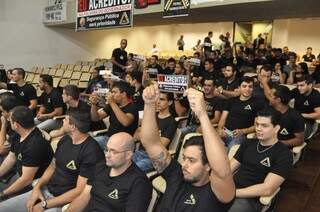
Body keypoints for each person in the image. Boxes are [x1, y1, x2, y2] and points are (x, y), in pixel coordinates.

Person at [140, 82, 235, 211]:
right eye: (184, 158)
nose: (184, 164)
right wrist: (149, 104)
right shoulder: (176, 174)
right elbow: (150, 143)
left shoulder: (218, 193)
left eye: (191, 160)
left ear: (208, 166)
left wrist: (202, 114)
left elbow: (222, 171)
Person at [0, 111, 105, 211]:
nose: (63, 121)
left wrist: (45, 205)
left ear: (72, 127)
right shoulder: (65, 139)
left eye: (66, 119)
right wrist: (37, 187)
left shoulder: (91, 152)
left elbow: (79, 191)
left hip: (62, 201)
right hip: (45, 190)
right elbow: (52, 166)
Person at [64, 132, 152, 212]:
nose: (107, 155)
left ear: (128, 155)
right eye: (107, 149)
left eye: (113, 151)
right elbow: (85, 196)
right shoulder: (101, 166)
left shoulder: (139, 183)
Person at [229, 109, 293, 212]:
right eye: (257, 124)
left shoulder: (284, 154)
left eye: (264, 126)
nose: (258, 129)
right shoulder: (248, 143)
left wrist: (234, 193)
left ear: (276, 128)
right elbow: (228, 170)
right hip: (230, 188)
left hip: (251, 199)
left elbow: (267, 189)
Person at [0, 106, 53, 201]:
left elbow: (26, 179)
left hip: (33, 183)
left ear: (16, 125)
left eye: (10, 120)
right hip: (20, 175)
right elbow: (11, 158)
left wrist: (3, 194)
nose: (8, 121)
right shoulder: (18, 134)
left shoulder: (34, 145)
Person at [133, 92, 177, 172]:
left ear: (170, 102)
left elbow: (162, 144)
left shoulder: (171, 122)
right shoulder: (151, 116)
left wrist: (144, 136)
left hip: (154, 157)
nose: (158, 102)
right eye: (157, 99)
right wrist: (152, 138)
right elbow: (135, 136)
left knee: (132, 170)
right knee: (120, 163)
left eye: (162, 99)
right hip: (139, 152)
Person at [218, 76, 265, 149]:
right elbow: (222, 119)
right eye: (244, 86)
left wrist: (243, 131)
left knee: (232, 148)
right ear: (239, 87)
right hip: (225, 132)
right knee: (210, 142)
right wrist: (220, 129)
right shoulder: (231, 100)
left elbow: (257, 125)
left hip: (241, 136)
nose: (247, 89)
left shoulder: (258, 103)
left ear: (253, 88)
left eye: (250, 87)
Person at [90, 81, 139, 148]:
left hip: (123, 143)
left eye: (114, 92)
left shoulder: (132, 107)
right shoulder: (112, 105)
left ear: (124, 94)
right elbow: (95, 118)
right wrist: (93, 104)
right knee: (87, 143)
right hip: (108, 138)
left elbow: (125, 122)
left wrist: (112, 103)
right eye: (111, 92)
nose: (112, 95)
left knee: (90, 145)